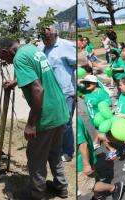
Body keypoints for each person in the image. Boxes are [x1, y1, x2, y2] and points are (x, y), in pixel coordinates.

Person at [0, 38, 70, 199]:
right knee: (54, 152)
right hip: (60, 109)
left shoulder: (18, 59)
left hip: (47, 114)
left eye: (4, 60)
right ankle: (61, 186)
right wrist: (15, 82)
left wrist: (31, 124)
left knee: (35, 156)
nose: (7, 63)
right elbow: (37, 74)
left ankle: (37, 194)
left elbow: (38, 90)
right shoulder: (31, 49)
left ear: (5, 52)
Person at [41, 26, 76, 162]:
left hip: (66, 92)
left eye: (47, 37)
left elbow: (78, 65)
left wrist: (76, 87)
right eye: (43, 37)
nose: (45, 40)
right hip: (51, 94)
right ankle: (59, 148)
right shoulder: (42, 49)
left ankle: (68, 151)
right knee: (57, 123)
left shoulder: (66, 46)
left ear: (55, 34)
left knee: (65, 123)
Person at [76, 116, 125, 200]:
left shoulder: (75, 121)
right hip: (82, 160)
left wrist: (86, 165)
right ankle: (98, 197)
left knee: (86, 187)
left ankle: (115, 188)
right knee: (92, 180)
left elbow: (83, 144)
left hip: (81, 162)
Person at [80, 75, 116, 160]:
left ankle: (114, 149)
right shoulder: (87, 92)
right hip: (94, 120)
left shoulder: (101, 93)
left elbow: (110, 108)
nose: (86, 85)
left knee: (104, 136)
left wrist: (104, 119)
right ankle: (118, 147)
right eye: (85, 83)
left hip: (102, 120)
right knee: (105, 136)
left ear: (95, 83)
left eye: (89, 83)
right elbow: (84, 98)